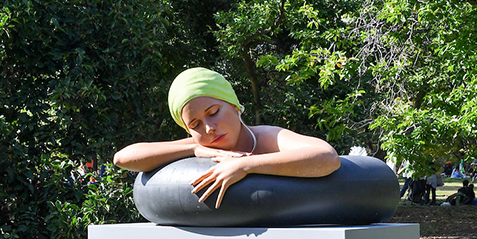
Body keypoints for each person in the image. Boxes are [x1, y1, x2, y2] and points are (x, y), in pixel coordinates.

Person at [113, 67, 340, 208]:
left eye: (213, 112)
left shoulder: (266, 137)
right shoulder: (199, 143)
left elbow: (327, 157)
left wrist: (245, 165)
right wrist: (192, 149)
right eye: (195, 125)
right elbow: (123, 158)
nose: (209, 128)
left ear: (234, 106)